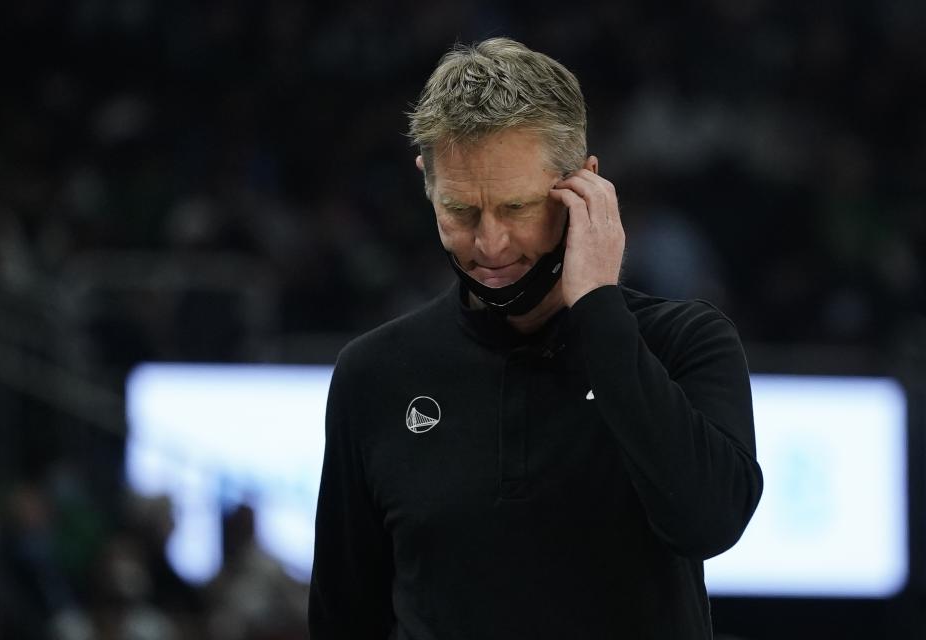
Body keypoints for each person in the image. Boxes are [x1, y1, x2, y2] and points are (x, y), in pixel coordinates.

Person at [308, 37, 763, 639]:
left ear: (585, 185)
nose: (490, 244)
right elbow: (344, 618)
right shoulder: (374, 374)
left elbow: (709, 523)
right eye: (461, 210)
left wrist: (599, 308)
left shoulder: (686, 342)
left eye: (517, 208)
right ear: (427, 183)